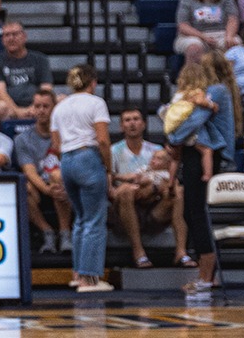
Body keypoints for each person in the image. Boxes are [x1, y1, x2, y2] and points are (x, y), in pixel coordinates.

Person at [166, 56, 233, 295]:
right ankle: (207, 275)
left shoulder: (215, 91)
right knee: (191, 211)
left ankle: (206, 276)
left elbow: (193, 121)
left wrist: (172, 138)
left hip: (205, 154)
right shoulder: (211, 92)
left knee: (197, 211)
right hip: (194, 154)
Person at [53, 65, 113, 292]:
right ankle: (90, 279)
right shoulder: (95, 103)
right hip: (87, 156)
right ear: (93, 83)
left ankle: (78, 273)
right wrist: (108, 168)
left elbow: (56, 144)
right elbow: (103, 140)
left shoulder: (60, 107)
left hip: (67, 160)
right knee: (95, 220)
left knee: (80, 219)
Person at [110, 106, 176, 270]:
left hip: (153, 204)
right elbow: (110, 185)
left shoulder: (156, 150)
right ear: (121, 126)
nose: (132, 124)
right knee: (126, 190)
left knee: (178, 193)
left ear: (144, 124)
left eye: (136, 119)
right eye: (127, 120)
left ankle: (182, 251)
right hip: (124, 205)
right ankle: (138, 252)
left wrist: (150, 190)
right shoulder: (113, 151)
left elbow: (168, 182)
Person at [14, 88, 73, 255]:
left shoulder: (66, 134)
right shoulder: (23, 139)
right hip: (40, 186)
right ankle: (46, 231)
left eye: (45, 106)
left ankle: (64, 233)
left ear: (54, 108)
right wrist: (48, 190)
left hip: (64, 183)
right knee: (24, 188)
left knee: (57, 175)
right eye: (37, 106)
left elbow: (69, 163)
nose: (41, 110)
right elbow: (30, 171)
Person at [0, 20, 50, 119]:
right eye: (7, 35)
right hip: (10, 107)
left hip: (37, 105)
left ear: (24, 36)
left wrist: (35, 108)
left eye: (15, 34)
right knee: (0, 106)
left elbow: (46, 88)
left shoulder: (40, 59)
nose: (11, 38)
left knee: (60, 100)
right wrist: (17, 111)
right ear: (2, 40)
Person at [175, 0, 239, 57]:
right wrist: (203, 37)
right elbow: (183, 25)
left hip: (221, 33)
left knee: (234, 44)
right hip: (194, 35)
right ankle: (194, 72)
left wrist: (229, 36)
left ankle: (227, 72)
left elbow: (232, 19)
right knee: (194, 48)